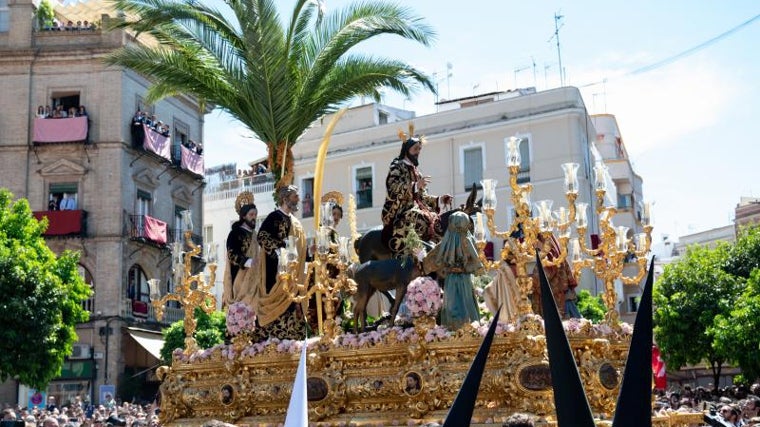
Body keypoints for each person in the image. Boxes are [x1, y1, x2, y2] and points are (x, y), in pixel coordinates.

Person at [381, 127, 452, 258]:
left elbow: (423, 197)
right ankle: (413, 251)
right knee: (419, 217)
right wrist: (414, 186)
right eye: (415, 149)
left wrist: (440, 199)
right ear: (407, 150)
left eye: (419, 149)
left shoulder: (417, 172)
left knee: (436, 219)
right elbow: (393, 187)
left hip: (417, 207)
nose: (418, 152)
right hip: (400, 209)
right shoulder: (397, 166)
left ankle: (434, 250)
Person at [253, 185, 308, 341]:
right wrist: (280, 251)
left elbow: (301, 247)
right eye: (295, 196)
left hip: (293, 274)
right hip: (276, 273)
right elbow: (262, 237)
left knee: (292, 304)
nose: (298, 199)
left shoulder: (296, 222)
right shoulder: (274, 217)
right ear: (285, 199)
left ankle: (291, 338)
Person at [423, 211, 484, 330]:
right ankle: (463, 332)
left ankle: (462, 332)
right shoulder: (463, 241)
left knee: (462, 306)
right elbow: (478, 265)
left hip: (459, 280)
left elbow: (433, 262)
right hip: (456, 280)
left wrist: (462, 268)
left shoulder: (460, 242)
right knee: (457, 307)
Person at [222, 193, 262, 309]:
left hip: (254, 279)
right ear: (244, 216)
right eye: (251, 214)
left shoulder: (255, 235)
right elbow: (231, 253)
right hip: (239, 277)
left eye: (255, 214)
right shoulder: (236, 233)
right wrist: (248, 261)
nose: (254, 217)